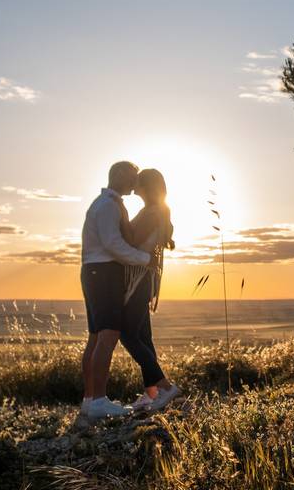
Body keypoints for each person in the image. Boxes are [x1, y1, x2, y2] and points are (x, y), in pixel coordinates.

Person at [79, 161, 157, 419]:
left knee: (96, 336)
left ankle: (90, 400)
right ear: (120, 175)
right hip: (103, 272)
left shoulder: (105, 204)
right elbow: (113, 244)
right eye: (132, 178)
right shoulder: (108, 206)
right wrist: (145, 259)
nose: (135, 185)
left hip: (95, 272)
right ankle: (99, 400)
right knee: (109, 334)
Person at [120, 168, 180, 411]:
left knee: (128, 334)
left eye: (137, 183)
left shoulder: (151, 213)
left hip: (138, 278)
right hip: (146, 278)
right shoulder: (159, 211)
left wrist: (119, 218)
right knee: (143, 336)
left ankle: (165, 388)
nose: (133, 187)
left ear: (146, 187)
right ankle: (152, 393)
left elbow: (130, 241)